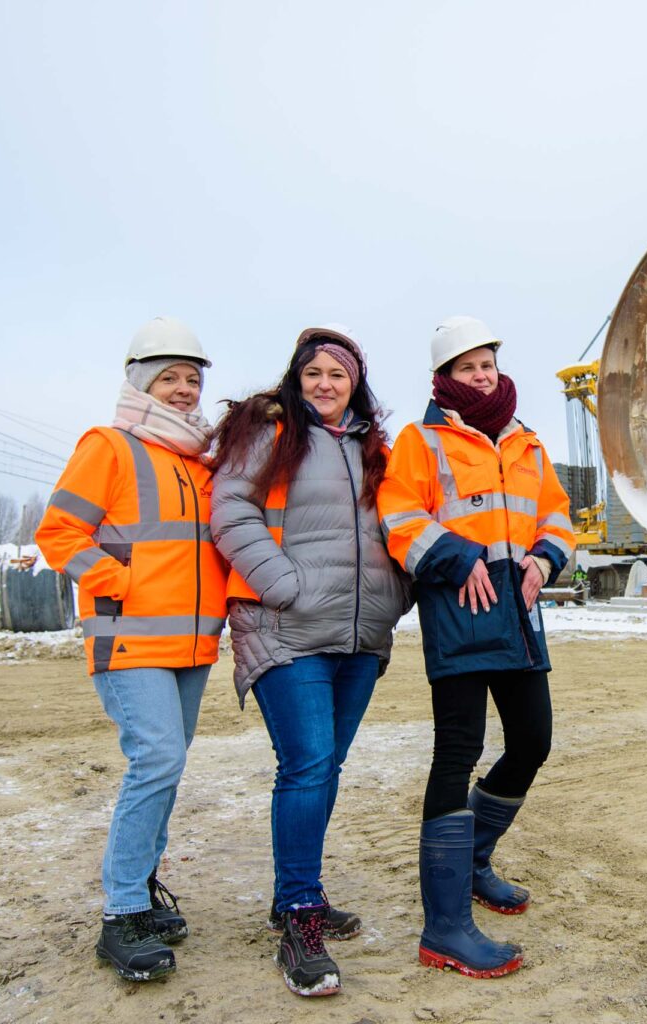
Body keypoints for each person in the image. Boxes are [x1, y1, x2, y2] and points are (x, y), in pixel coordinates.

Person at [210, 325, 411, 998]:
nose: (325, 384)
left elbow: (401, 528)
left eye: (338, 373)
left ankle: (299, 893)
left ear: (356, 381)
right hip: (287, 628)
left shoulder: (375, 448)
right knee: (307, 764)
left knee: (327, 766)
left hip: (359, 636)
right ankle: (299, 916)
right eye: (313, 373)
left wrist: (394, 595)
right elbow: (231, 513)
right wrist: (282, 585)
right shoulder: (270, 434)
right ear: (297, 379)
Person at [377, 315, 575, 978]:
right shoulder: (421, 441)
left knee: (532, 742)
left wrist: (546, 562)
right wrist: (458, 561)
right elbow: (399, 517)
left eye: (487, 363)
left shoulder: (527, 442)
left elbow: (556, 515)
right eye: (467, 367)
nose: (481, 374)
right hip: (461, 611)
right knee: (456, 754)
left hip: (517, 615)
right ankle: (444, 927)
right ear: (445, 378)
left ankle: (473, 860)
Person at [35, 316, 228, 982]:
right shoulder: (108, 446)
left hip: (194, 645)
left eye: (192, 379)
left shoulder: (201, 459)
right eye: (169, 378)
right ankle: (120, 914)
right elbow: (59, 532)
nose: (182, 390)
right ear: (141, 381)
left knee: (166, 770)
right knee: (157, 760)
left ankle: (142, 892)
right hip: (131, 638)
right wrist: (122, 582)